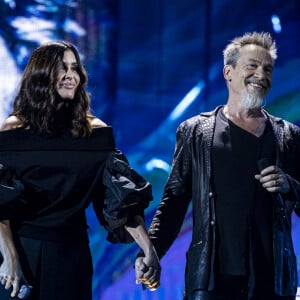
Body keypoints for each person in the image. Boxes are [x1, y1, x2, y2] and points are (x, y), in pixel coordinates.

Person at [135, 32, 300, 299]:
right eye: (252, 66)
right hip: (212, 281)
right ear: (229, 72)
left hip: (271, 283)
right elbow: (174, 202)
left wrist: (290, 186)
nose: (261, 74)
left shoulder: (289, 137)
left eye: (267, 69)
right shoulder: (195, 132)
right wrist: (150, 252)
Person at [0, 41, 160, 300]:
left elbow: (121, 202)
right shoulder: (14, 130)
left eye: (75, 68)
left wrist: (148, 251)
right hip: (19, 253)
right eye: (61, 68)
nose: (70, 75)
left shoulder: (95, 133)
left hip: (71, 255)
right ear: (40, 75)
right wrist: (9, 258)